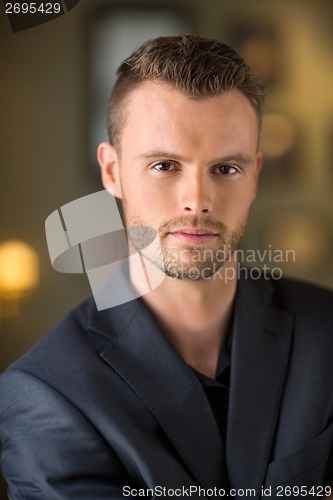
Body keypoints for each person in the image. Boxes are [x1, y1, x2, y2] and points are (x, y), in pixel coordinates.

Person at [1, 34, 333, 500]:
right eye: (164, 165)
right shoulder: (47, 393)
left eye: (226, 169)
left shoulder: (328, 333)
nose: (197, 200)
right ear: (112, 172)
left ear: (255, 174)